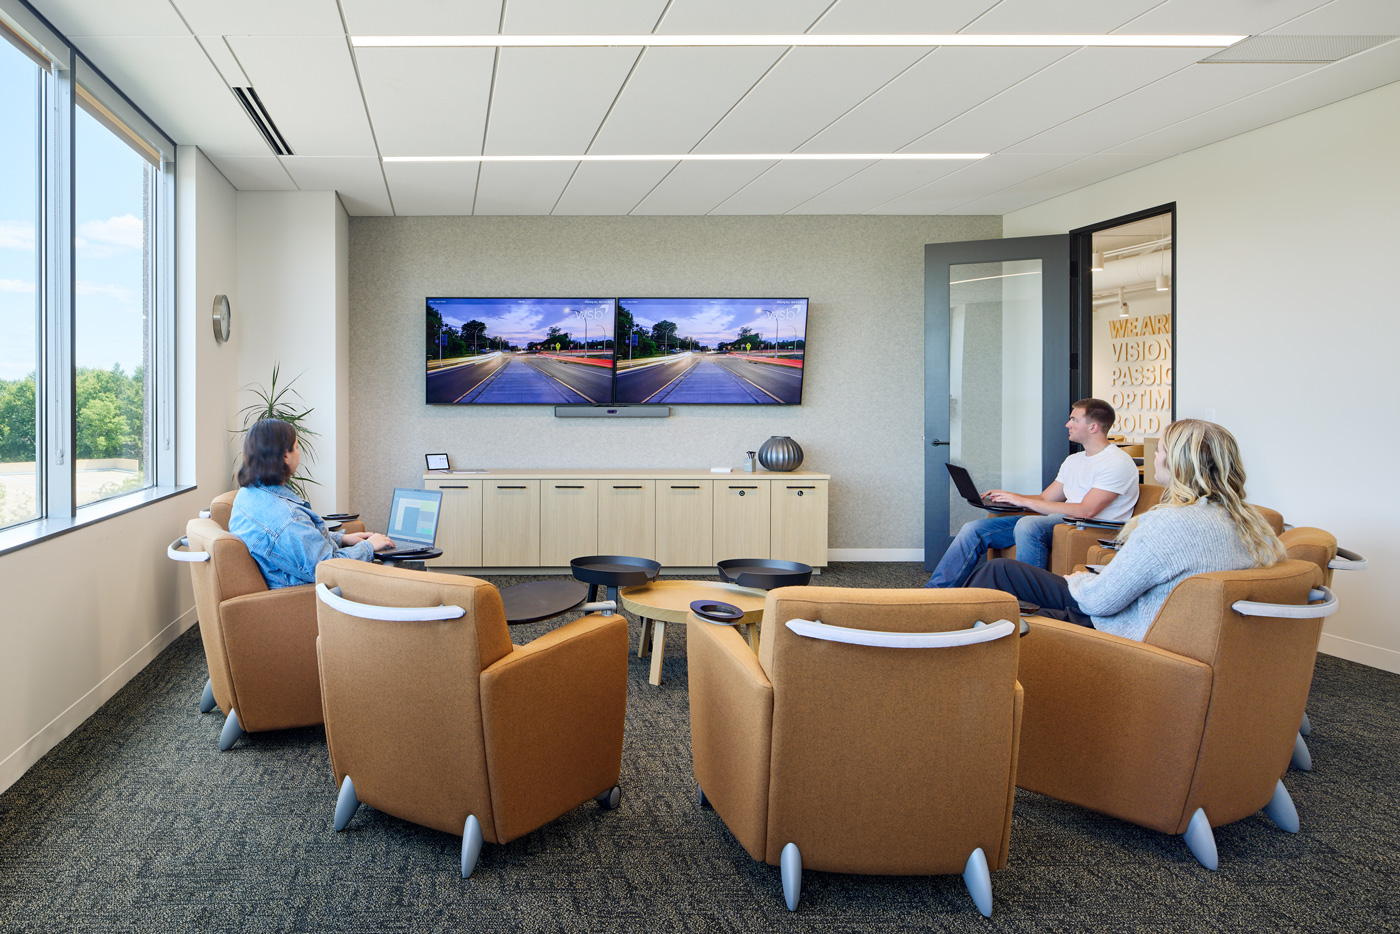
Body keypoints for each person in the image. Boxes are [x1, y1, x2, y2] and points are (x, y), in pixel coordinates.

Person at [963, 419, 1285, 641]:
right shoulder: (1253, 524)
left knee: (995, 576)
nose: (1155, 456)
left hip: (1120, 626)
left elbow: (1102, 603)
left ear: (1175, 463)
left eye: (1159, 450)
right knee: (1002, 571)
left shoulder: (1170, 523)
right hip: (1156, 614)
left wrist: (1082, 578)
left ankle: (947, 641)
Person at [925, 398, 1140, 588]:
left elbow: (1086, 510)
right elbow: (1046, 499)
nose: (1067, 424)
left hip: (1089, 527)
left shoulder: (1116, 462)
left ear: (1093, 427)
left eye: (1074, 420)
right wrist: (1009, 497)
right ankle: (934, 593)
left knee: (1029, 524)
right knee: (972, 529)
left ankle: (1024, 599)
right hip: (1063, 521)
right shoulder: (1074, 460)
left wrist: (1021, 501)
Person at [229, 419, 394, 588]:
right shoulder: (288, 520)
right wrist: (368, 547)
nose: (299, 453)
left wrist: (342, 539)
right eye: (296, 447)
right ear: (285, 456)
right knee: (391, 576)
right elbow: (326, 567)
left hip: (288, 578)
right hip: (307, 596)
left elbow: (298, 548)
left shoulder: (248, 493)